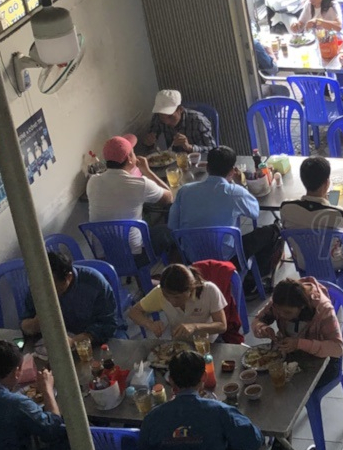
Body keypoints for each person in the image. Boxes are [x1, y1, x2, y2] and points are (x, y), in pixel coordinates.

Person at [167, 145, 282, 292]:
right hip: (228, 259)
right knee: (271, 231)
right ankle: (253, 281)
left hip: (192, 258)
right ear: (232, 171)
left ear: (207, 167)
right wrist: (239, 184)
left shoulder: (184, 191)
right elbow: (254, 212)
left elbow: (172, 225)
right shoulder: (235, 192)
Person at [86, 134, 173, 256]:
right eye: (133, 153)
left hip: (104, 255)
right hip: (135, 255)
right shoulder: (140, 184)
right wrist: (147, 171)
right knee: (171, 229)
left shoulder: (93, 181)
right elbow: (169, 198)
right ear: (130, 159)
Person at [21, 250, 125, 344]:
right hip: (59, 343)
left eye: (53, 288)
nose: (46, 293)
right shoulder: (38, 288)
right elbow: (25, 321)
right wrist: (33, 325)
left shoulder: (93, 283)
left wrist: (74, 341)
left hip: (98, 340)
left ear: (69, 277)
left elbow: (107, 324)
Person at [252, 277, 343, 380]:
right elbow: (258, 320)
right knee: (265, 378)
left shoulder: (323, 310)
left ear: (302, 306)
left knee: (293, 385)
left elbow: (337, 349)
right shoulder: (279, 300)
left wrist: (299, 344)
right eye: (278, 310)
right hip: (290, 354)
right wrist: (262, 328)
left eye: (287, 312)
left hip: (322, 361)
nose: (281, 315)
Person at [127, 263, 227, 343]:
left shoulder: (209, 290)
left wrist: (195, 327)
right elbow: (133, 312)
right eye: (167, 296)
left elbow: (222, 326)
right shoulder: (159, 292)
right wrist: (150, 324)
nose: (172, 301)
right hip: (180, 344)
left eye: (177, 297)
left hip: (209, 343)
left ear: (191, 289)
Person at [141, 90, 215, 154]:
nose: (166, 122)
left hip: (197, 160)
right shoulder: (157, 118)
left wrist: (189, 147)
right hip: (174, 159)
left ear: (180, 109)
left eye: (170, 116)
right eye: (162, 117)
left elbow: (213, 149)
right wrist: (148, 142)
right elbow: (149, 144)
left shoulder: (198, 121)